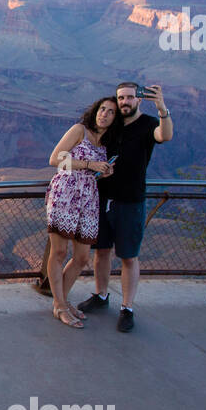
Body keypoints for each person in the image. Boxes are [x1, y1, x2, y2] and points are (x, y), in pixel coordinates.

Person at [80, 82, 174, 332]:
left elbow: (165, 136)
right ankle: (101, 295)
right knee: (101, 252)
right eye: (121, 98)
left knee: (129, 257)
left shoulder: (149, 124)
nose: (124, 102)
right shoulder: (114, 123)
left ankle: (127, 308)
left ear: (139, 100)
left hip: (130, 201)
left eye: (130, 97)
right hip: (102, 198)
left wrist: (162, 107)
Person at [45, 97, 119, 327]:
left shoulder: (106, 142)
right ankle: (60, 305)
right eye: (102, 109)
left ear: (116, 119)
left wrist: (103, 172)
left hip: (88, 199)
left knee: (82, 257)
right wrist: (89, 165)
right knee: (59, 252)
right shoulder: (80, 130)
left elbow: (93, 173)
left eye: (111, 112)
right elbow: (55, 159)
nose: (104, 114)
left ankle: (62, 301)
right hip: (65, 193)